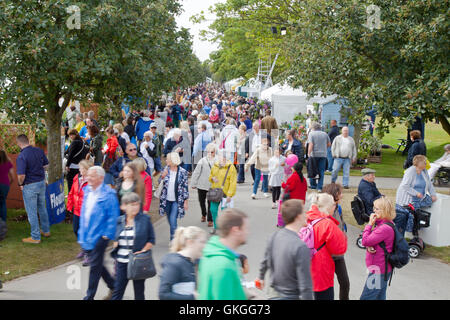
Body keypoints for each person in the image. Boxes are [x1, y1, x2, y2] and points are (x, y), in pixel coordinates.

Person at [256, 199, 313, 300]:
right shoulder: (301, 247)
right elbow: (305, 285)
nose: (307, 215)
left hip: (273, 294)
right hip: (291, 296)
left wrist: (260, 277)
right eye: (304, 212)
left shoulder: (274, 236)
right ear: (298, 216)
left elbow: (265, 261)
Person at [78, 166, 119, 300]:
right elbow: (85, 213)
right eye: (88, 175)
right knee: (98, 265)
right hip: (87, 235)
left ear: (101, 178)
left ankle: (89, 297)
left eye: (92, 176)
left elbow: (113, 216)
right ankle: (113, 286)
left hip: (100, 236)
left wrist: (107, 234)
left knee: (94, 267)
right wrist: (82, 233)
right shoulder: (88, 191)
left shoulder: (109, 194)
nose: (88, 178)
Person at [110, 192, 155, 300]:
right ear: (124, 206)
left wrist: (143, 250)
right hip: (122, 263)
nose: (135, 207)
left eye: (137, 204)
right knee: (118, 292)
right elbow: (115, 237)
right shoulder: (119, 221)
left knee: (139, 293)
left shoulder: (145, 220)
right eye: (132, 204)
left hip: (138, 262)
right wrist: (115, 243)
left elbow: (151, 240)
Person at [198, 208, 248, 300]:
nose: (247, 232)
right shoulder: (224, 267)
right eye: (245, 229)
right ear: (235, 230)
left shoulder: (211, 252)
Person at [306, 193, 347, 300]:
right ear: (329, 207)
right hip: (321, 272)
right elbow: (340, 248)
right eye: (334, 205)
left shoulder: (305, 218)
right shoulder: (327, 224)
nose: (335, 207)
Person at [16, 134, 51, 244]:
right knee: (42, 208)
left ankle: (35, 237)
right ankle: (46, 231)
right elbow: (46, 165)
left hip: (30, 185)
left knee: (31, 211)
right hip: (41, 182)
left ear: (19, 143)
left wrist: (20, 184)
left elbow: (21, 176)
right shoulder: (39, 150)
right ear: (27, 141)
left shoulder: (21, 156)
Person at [360, 197, 396, 300]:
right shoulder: (384, 223)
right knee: (379, 296)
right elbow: (372, 241)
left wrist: (369, 224)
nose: (373, 211)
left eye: (377, 209)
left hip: (378, 270)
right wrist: (369, 245)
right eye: (374, 208)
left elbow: (365, 241)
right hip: (383, 268)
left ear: (384, 211)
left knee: (366, 297)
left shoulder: (384, 228)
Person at [159, 226, 207, 300]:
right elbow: (163, 294)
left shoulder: (194, 261)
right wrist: (193, 297)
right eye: (202, 242)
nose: (205, 246)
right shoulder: (174, 264)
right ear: (190, 242)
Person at [394, 155, 437, 237]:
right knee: (408, 218)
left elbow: (429, 184)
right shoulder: (410, 171)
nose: (426, 163)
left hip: (418, 198)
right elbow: (405, 186)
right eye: (424, 162)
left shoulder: (424, 171)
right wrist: (416, 193)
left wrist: (433, 194)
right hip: (407, 198)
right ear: (418, 163)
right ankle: (403, 236)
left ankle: (414, 234)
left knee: (418, 215)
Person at [322, 183, 350, 300]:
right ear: (334, 195)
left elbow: (341, 224)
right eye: (340, 193)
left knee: (345, 283)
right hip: (326, 255)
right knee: (326, 287)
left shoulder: (338, 208)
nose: (342, 195)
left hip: (338, 255)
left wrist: (343, 236)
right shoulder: (323, 212)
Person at [67, 160, 93, 265]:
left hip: (86, 212)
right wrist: (69, 205)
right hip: (77, 210)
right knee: (76, 229)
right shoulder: (76, 179)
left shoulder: (91, 181)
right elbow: (72, 192)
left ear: (87, 169)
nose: (79, 170)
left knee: (86, 232)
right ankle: (84, 248)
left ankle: (89, 254)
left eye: (81, 168)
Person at [158, 152, 189, 241]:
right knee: (170, 221)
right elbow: (159, 181)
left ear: (173, 160)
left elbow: (185, 187)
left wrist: (186, 201)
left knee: (173, 221)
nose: (166, 160)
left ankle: (174, 241)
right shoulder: (165, 169)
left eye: (168, 159)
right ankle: (177, 234)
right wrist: (163, 176)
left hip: (177, 201)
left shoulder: (182, 172)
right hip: (166, 200)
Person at [209, 150, 237, 234]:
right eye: (219, 156)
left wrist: (229, 195)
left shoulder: (231, 167)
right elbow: (210, 176)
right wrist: (212, 178)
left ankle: (225, 229)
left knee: (224, 212)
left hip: (225, 193)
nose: (220, 158)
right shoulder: (215, 165)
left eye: (221, 157)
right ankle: (216, 226)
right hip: (215, 192)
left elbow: (233, 182)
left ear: (225, 158)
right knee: (213, 210)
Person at [191, 143, 216, 227]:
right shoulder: (202, 160)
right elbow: (196, 172)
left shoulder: (218, 161)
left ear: (215, 152)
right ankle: (203, 214)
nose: (210, 153)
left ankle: (210, 219)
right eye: (209, 152)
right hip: (201, 185)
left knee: (210, 203)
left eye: (212, 152)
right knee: (201, 201)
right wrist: (193, 183)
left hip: (212, 186)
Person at [307, 122, 331, 192]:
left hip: (314, 155)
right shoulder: (325, 134)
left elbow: (311, 144)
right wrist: (324, 148)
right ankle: (319, 187)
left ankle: (313, 185)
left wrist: (308, 153)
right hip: (323, 155)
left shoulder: (311, 134)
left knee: (312, 170)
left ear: (313, 128)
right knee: (321, 171)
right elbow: (329, 144)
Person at [0, 150, 14, 222]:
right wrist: (8, 185)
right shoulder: (8, 164)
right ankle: (3, 223)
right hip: (5, 185)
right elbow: (13, 178)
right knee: (2, 203)